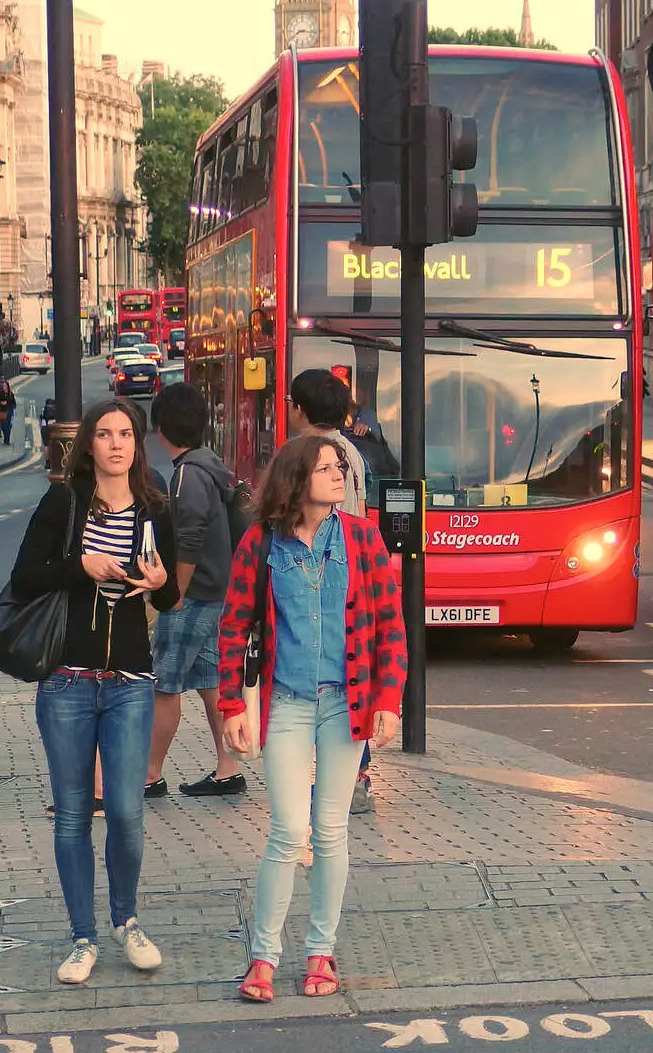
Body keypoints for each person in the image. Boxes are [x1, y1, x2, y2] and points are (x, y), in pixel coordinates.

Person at [219, 435, 406, 1003]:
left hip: (346, 703)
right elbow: (232, 626)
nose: (338, 477)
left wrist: (388, 700)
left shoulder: (362, 538)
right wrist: (231, 704)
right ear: (297, 479)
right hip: (289, 702)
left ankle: (320, 952)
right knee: (287, 831)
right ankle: (262, 958)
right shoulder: (260, 543)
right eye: (326, 468)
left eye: (339, 468)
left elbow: (391, 626)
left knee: (329, 831)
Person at [10, 398, 178, 985]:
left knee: (128, 812)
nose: (114, 444)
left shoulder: (155, 507)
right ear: (88, 445)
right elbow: (24, 577)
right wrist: (79, 566)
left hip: (131, 681)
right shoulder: (65, 502)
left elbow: (171, 591)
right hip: (67, 682)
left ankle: (125, 920)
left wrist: (160, 583)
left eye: (125, 434)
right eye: (104, 434)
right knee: (73, 813)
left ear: (138, 444)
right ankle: (82, 936)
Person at [145, 384, 242, 800]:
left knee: (164, 685)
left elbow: (190, 538)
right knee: (211, 681)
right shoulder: (211, 464)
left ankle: (148, 774)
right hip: (218, 589)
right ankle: (228, 769)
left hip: (196, 593)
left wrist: (176, 592)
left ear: (161, 428)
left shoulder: (186, 475)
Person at [287, 370, 377, 812]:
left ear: (300, 408)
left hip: (318, 571)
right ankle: (355, 775)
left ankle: (337, 778)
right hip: (351, 566)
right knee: (349, 671)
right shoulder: (353, 453)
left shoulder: (301, 453)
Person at [288, 370, 369, 516]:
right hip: (347, 537)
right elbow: (360, 508)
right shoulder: (351, 450)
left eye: (289, 401)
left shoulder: (305, 453)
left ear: (298, 409)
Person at [0, 379, 17, 449]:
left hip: (9, 412)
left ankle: (7, 440)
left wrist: (8, 404)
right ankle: (6, 438)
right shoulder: (1, 394)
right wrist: (1, 403)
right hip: (3, 412)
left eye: (5, 386)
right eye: (3, 386)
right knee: (3, 426)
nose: (4, 387)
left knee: (9, 426)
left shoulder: (10, 394)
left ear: (7, 386)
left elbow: (14, 404)